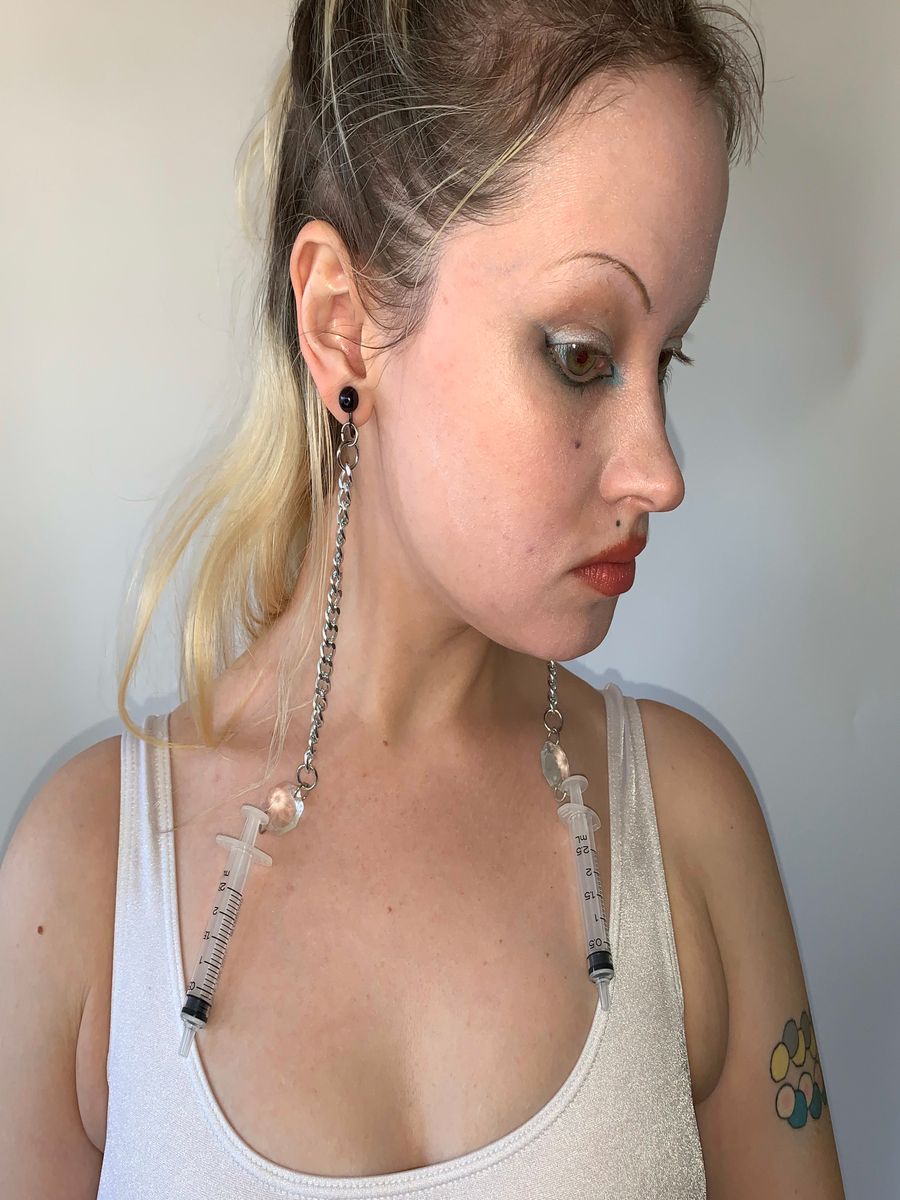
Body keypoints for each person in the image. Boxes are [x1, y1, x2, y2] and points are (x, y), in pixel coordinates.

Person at [0, 1, 846, 1197]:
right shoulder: (86, 881)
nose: (661, 472)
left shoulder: (687, 832)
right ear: (343, 327)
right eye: (580, 353)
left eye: (670, 359)